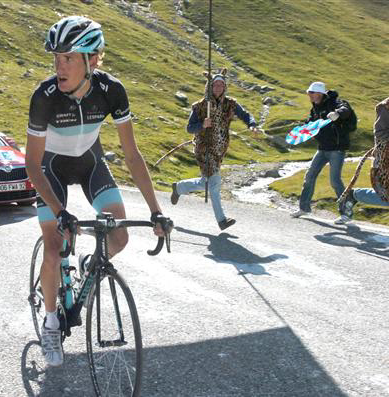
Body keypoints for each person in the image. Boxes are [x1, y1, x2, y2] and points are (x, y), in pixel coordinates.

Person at [25, 16, 169, 367]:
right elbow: (32, 164)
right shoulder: (44, 98)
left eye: (68, 58)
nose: (59, 66)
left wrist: (155, 211)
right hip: (50, 169)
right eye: (56, 58)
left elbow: (132, 156)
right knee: (55, 244)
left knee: (117, 239)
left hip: (90, 164)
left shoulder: (111, 90)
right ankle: (50, 321)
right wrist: (60, 212)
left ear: (91, 60)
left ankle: (90, 266)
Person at [170, 69, 262, 230]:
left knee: (206, 182)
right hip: (204, 149)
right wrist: (202, 125)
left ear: (225, 87)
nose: (218, 87)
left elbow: (245, 115)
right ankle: (221, 220)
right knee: (215, 183)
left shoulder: (231, 104)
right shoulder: (200, 106)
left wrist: (252, 125)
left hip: (219, 150)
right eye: (215, 84)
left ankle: (179, 187)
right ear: (210, 86)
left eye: (221, 84)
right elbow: (189, 128)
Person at [290, 82, 355, 224]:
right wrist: (303, 130)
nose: (309, 95)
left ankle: (346, 213)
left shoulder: (336, 103)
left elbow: (346, 109)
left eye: (311, 93)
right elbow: (310, 123)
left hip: (337, 149)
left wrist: (337, 113)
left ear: (319, 93)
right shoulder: (315, 109)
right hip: (322, 148)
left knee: (335, 181)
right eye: (309, 93)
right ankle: (304, 208)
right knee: (310, 176)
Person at [338, 97, 389, 222]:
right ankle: (354, 196)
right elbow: (380, 134)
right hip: (385, 161)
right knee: (387, 198)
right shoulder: (385, 107)